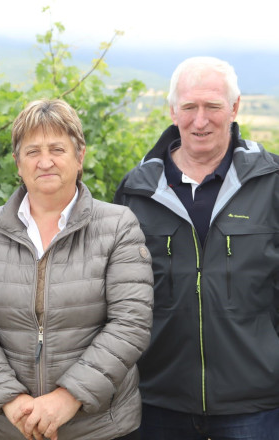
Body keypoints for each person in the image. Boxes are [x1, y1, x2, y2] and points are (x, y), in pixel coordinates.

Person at [0, 98, 154, 440]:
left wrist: (67, 398)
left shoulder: (117, 225)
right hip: (9, 426)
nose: (45, 161)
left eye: (57, 149)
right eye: (32, 152)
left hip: (99, 428)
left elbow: (131, 323)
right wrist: (12, 401)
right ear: (18, 163)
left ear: (80, 157)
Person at [114, 56, 279, 439]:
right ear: (173, 111)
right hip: (157, 401)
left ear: (235, 108)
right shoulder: (137, 190)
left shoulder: (271, 183)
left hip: (255, 404)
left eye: (212, 107)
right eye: (189, 107)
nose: (200, 120)